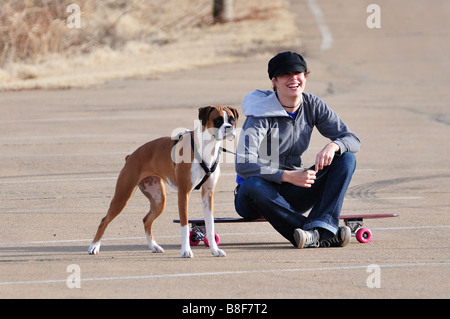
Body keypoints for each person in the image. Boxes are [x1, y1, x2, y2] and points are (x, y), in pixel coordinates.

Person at [234, 51, 360, 248]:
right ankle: (320, 232)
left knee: (346, 159)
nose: (293, 78)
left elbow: (351, 139)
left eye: (298, 73)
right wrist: (286, 176)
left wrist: (334, 145)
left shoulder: (312, 105)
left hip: (293, 191)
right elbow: (243, 164)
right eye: (285, 74)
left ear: (305, 77)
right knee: (253, 185)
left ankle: (320, 227)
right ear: (274, 81)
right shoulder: (260, 113)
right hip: (255, 196)